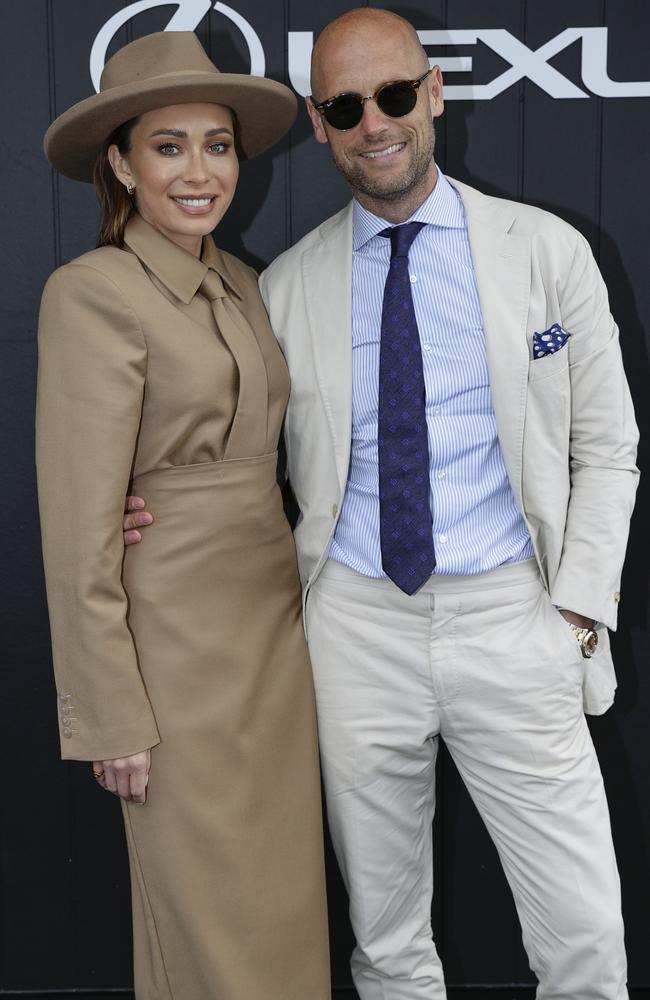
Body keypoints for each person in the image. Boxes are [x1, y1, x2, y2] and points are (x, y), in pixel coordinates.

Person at [124, 8, 639, 999]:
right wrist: (155, 513)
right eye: (345, 105)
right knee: (385, 936)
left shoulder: (544, 251)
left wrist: (574, 611)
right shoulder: (285, 287)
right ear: (318, 123)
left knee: (583, 935)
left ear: (432, 94)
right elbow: (237, 459)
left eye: (394, 95)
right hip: (353, 628)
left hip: (512, 616)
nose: (375, 123)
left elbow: (606, 444)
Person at [36, 30, 329, 1000]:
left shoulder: (245, 283)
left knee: (281, 906)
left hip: (273, 643)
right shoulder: (90, 295)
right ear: (119, 161)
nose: (200, 171)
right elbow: (78, 526)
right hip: (169, 656)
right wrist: (110, 710)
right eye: (168, 146)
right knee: (205, 918)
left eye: (217, 144)